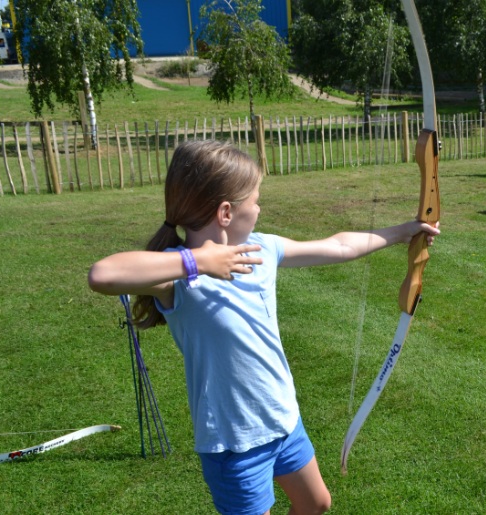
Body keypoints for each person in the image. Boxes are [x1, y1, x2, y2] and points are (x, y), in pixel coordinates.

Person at [88, 140, 439, 515]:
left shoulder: (261, 248)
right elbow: (103, 274)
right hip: (234, 443)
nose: (259, 208)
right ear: (226, 212)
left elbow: (337, 246)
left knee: (316, 503)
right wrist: (199, 261)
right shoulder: (179, 273)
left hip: (282, 419)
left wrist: (402, 231)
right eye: (255, 200)